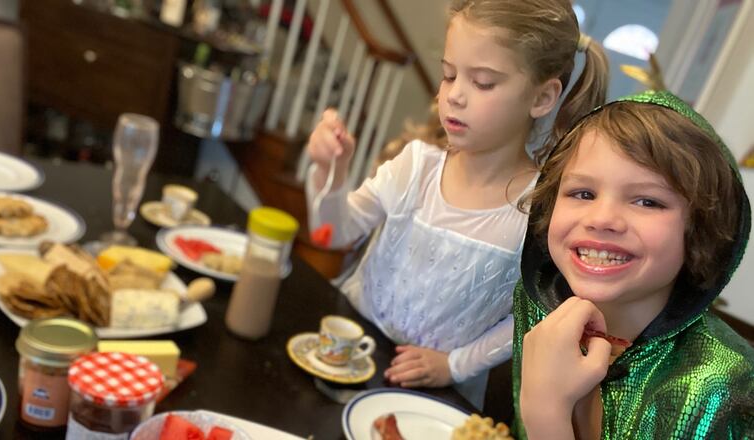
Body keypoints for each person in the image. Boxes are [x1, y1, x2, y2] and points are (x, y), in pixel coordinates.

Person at [305, 0, 608, 407]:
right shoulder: (416, 168)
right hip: (346, 352)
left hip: (432, 397)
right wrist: (331, 172)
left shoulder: (539, 211)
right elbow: (332, 233)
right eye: (449, 76)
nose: (454, 96)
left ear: (542, 97)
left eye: (482, 83)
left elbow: (533, 316)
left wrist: (454, 365)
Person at [513, 90, 753, 438]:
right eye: (583, 193)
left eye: (647, 201)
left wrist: (546, 416)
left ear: (700, 231)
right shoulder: (537, 306)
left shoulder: (722, 385)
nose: (602, 218)